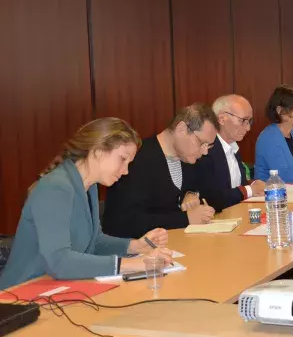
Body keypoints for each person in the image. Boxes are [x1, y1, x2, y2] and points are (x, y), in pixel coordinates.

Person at [0, 118, 173, 289]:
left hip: (52, 288)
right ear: (97, 152)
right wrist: (132, 264)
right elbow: (59, 261)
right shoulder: (55, 188)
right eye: (122, 159)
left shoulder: (89, 186)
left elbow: (95, 242)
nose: (126, 171)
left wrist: (136, 245)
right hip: (20, 294)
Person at [103, 104, 218, 239]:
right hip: (134, 251)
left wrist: (192, 193)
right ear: (181, 129)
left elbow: (212, 192)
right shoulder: (136, 160)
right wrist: (185, 218)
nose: (205, 152)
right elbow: (125, 223)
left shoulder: (188, 157)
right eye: (202, 143)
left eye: (209, 145)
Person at [188, 95, 265, 211]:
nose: (248, 128)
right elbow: (214, 198)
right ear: (222, 118)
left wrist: (253, 184)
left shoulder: (232, 146)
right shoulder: (206, 149)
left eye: (250, 121)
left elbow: (236, 184)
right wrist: (250, 190)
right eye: (243, 120)